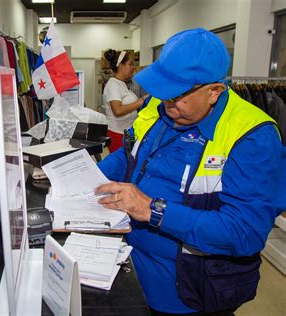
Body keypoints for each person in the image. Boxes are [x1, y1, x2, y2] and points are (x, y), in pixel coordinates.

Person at [96, 28, 285, 315]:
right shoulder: (161, 106)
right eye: (164, 93)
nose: (168, 104)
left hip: (190, 292)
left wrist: (153, 210)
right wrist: (87, 176)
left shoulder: (253, 137)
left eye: (177, 95)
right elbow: (130, 154)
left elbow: (244, 232)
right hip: (132, 269)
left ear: (214, 92)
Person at [102, 49, 147, 152]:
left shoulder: (122, 84)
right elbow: (117, 110)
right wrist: (141, 101)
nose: (133, 68)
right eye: (130, 64)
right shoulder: (113, 85)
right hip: (117, 134)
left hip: (126, 132)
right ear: (121, 67)